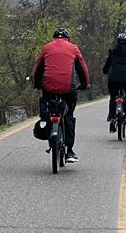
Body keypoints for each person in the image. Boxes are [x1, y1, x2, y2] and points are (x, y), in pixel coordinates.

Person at [32, 28, 90, 163]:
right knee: (68, 114)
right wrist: (85, 84)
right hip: (68, 89)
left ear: (54, 38)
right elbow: (82, 69)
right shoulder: (73, 48)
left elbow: (37, 69)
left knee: (46, 107)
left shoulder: (46, 48)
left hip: (48, 87)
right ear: (68, 38)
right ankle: (69, 150)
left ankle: (47, 123)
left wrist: (36, 84)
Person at [102, 33, 126, 132]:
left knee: (112, 97)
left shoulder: (113, 51)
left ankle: (111, 116)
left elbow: (107, 66)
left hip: (113, 78)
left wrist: (106, 71)